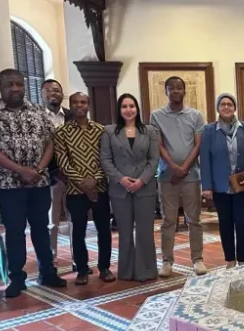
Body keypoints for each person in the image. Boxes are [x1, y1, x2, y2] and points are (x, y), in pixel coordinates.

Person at [0, 69, 66, 298]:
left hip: (39, 182)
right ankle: (16, 278)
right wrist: (20, 171)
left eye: (19, 84)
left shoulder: (37, 110)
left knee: (41, 228)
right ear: (0, 87)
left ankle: (47, 272)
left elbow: (50, 142)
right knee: (15, 231)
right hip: (8, 185)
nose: (15, 88)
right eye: (10, 84)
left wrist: (38, 169)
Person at [54, 92, 115, 286]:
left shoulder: (100, 130)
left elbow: (106, 158)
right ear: (70, 105)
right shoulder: (61, 132)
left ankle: (104, 267)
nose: (79, 105)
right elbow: (63, 162)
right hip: (75, 190)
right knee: (78, 231)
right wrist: (82, 182)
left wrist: (95, 180)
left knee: (104, 229)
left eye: (83, 102)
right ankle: (81, 269)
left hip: (100, 188)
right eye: (75, 102)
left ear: (88, 105)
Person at [150, 76, 207, 277]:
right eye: (171, 88)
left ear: (184, 91)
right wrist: (174, 168)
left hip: (191, 176)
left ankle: (197, 259)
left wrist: (183, 168)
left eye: (179, 87)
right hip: (167, 177)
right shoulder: (156, 116)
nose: (175, 91)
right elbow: (158, 145)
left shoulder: (196, 115)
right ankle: (167, 261)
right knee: (168, 221)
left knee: (194, 220)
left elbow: (198, 145)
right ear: (166, 91)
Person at [100, 94, 160, 282]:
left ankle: (146, 271)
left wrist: (141, 180)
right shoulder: (109, 131)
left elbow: (154, 159)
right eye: (124, 106)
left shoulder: (149, 131)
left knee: (145, 232)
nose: (128, 110)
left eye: (132, 106)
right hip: (120, 189)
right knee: (125, 233)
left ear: (137, 109)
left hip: (145, 188)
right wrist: (121, 179)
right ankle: (126, 272)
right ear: (119, 110)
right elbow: (105, 160)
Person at [200, 93, 244, 268]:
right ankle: (230, 260)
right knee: (225, 224)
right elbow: (205, 159)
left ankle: (242, 260)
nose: (226, 107)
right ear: (218, 108)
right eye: (223, 104)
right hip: (220, 187)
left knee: (242, 222)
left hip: (242, 186)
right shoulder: (209, 130)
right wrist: (207, 186)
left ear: (235, 108)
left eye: (230, 104)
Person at [41, 79, 76, 269]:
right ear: (42, 94)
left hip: (72, 177)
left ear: (62, 94)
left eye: (56, 90)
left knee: (75, 220)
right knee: (51, 222)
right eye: (48, 90)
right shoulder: (36, 117)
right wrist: (53, 172)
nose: (52, 93)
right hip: (50, 177)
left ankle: (77, 258)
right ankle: (51, 260)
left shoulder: (72, 116)